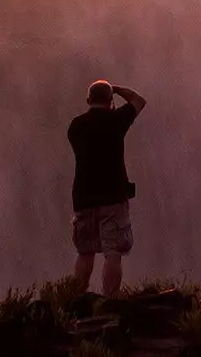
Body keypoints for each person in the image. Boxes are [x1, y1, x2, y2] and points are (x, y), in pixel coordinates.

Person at [67, 79, 146, 295]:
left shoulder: (75, 126)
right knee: (113, 252)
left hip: (83, 199)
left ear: (88, 100)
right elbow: (139, 100)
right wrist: (118, 89)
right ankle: (110, 301)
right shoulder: (116, 120)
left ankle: (75, 300)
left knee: (85, 252)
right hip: (112, 198)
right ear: (110, 101)